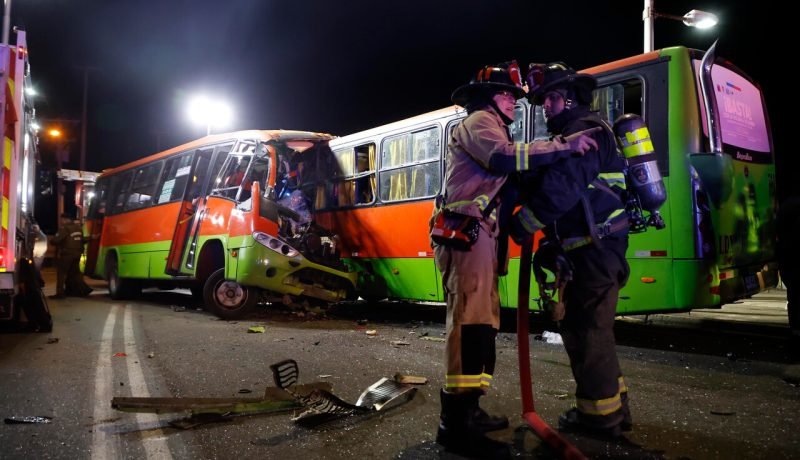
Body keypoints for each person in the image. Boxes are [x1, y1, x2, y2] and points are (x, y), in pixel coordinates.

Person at [432, 61, 601, 458]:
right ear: (488, 97)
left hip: (481, 238)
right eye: (507, 94)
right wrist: (564, 146)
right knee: (469, 325)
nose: (514, 102)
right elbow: (503, 158)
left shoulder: (492, 125)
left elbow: (510, 176)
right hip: (467, 236)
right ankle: (455, 426)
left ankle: (470, 412)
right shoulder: (479, 121)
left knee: (483, 324)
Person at [512, 62, 632, 439]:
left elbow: (562, 191)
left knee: (587, 329)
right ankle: (615, 409)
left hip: (595, 250)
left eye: (550, 98)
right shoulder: (572, 134)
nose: (545, 107)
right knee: (592, 329)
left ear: (569, 97)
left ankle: (600, 418)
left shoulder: (586, 132)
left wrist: (523, 224)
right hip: (591, 248)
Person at [50, 213, 90, 299]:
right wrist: (91, 238)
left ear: (65, 219)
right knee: (74, 273)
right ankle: (79, 291)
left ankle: (60, 293)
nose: (61, 221)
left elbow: (55, 240)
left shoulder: (65, 228)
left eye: (62, 219)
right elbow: (82, 239)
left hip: (67, 254)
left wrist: (53, 241)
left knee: (62, 273)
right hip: (77, 254)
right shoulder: (78, 228)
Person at [778, 195, 800, 347]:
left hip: (790, 259)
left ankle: (795, 331)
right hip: (793, 258)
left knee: (794, 297)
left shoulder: (787, 206)